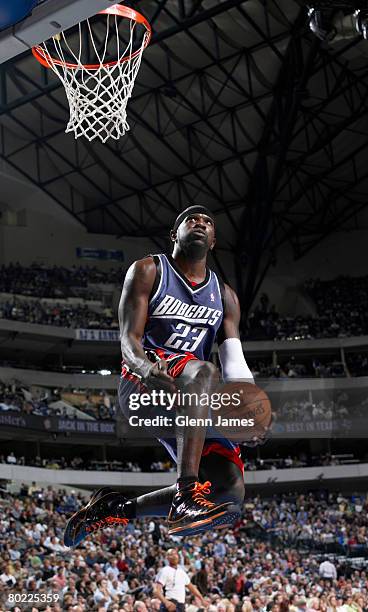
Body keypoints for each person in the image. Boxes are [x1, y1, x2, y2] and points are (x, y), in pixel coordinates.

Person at [64, 205, 269, 547]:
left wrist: (251, 413)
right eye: (191, 220)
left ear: (214, 240)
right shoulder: (148, 270)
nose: (200, 223)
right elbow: (128, 340)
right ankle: (185, 493)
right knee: (202, 370)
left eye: (207, 222)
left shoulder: (226, 296)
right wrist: (145, 370)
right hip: (143, 386)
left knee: (229, 494)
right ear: (175, 234)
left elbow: (234, 361)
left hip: (192, 398)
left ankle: (115, 509)